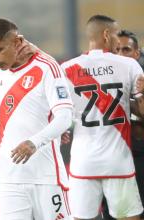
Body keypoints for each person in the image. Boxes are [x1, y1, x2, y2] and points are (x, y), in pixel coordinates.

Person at [0, 18, 73, 219]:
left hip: (46, 177)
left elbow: (65, 117)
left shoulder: (47, 66)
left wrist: (34, 142)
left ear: (17, 42)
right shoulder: (1, 73)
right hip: (9, 178)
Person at [61, 15, 144, 219]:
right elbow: (142, 112)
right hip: (118, 161)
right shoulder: (128, 65)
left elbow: (59, 114)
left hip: (83, 162)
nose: (119, 41)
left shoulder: (67, 69)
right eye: (117, 35)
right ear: (107, 35)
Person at [101, 29, 144, 220]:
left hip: (139, 156)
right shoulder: (102, 81)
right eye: (117, 50)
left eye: (126, 50)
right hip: (114, 158)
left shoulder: (141, 81)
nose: (120, 55)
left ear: (137, 53)